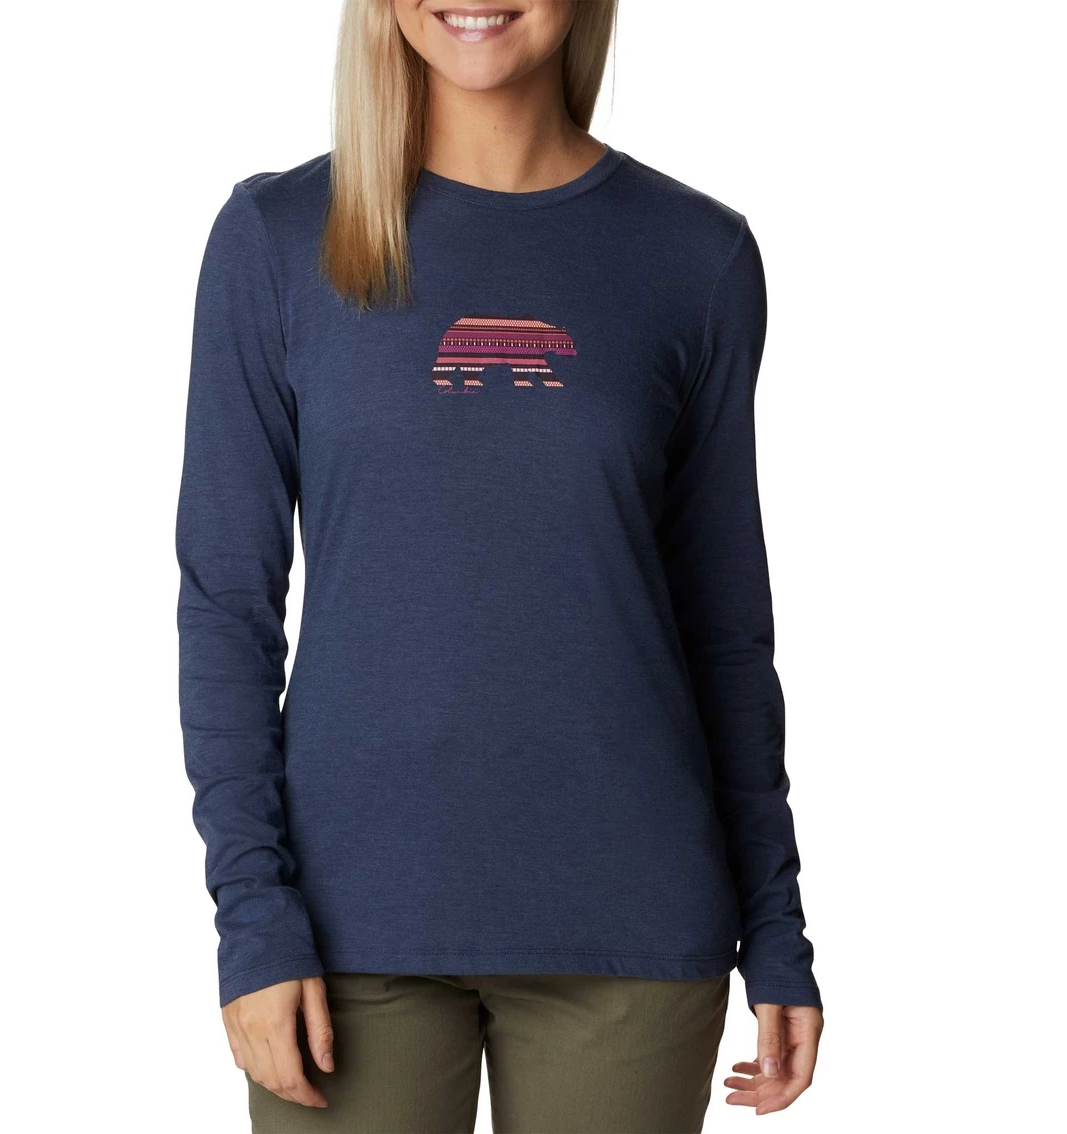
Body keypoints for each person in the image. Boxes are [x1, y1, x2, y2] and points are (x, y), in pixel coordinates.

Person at [175, 2, 823, 1130]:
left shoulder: (698, 256)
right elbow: (227, 603)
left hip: (631, 920)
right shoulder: (276, 239)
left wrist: (775, 923)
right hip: (346, 926)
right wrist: (253, 919)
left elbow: (725, 625)